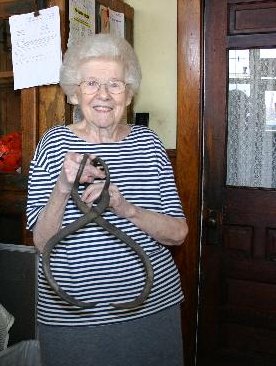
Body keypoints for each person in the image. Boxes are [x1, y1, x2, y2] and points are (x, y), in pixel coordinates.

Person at [26, 33, 188, 366]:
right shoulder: (53, 144)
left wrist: (123, 207)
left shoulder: (149, 145)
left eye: (115, 84)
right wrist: (62, 186)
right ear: (75, 93)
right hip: (72, 316)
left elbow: (178, 233)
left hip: (151, 309)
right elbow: (41, 242)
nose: (103, 95)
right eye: (91, 84)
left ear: (128, 94)